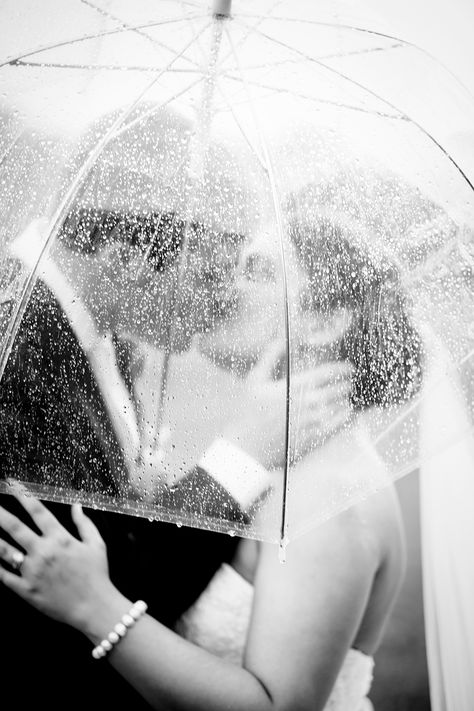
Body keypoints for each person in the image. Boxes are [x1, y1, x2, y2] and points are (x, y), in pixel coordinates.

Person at [0, 108, 352, 709]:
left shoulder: (88, 328)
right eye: (212, 273)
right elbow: (96, 591)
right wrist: (242, 454)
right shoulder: (17, 351)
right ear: (128, 258)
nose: (222, 302)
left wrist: (146, 498)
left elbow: (105, 535)